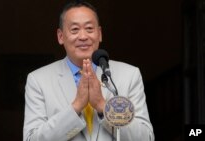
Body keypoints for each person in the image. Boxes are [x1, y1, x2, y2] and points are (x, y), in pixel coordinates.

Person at [23, 1, 154, 141]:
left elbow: (146, 138)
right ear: (60, 36)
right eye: (74, 29)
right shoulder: (38, 80)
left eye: (89, 29)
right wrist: (76, 106)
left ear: (100, 34)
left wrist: (103, 106)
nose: (83, 36)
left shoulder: (129, 75)